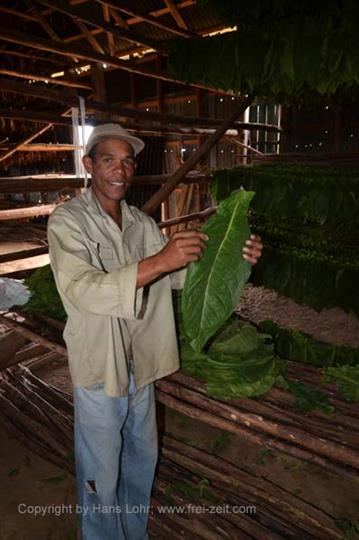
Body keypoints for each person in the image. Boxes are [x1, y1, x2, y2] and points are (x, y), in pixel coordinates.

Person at [47, 123, 263, 540]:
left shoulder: (139, 224)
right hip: (100, 371)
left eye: (127, 161)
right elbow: (82, 289)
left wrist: (233, 257)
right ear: (89, 165)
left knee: (142, 460)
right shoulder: (68, 222)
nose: (120, 170)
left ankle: (135, 532)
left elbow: (178, 278)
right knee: (99, 475)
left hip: (140, 365)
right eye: (108, 159)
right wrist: (161, 261)